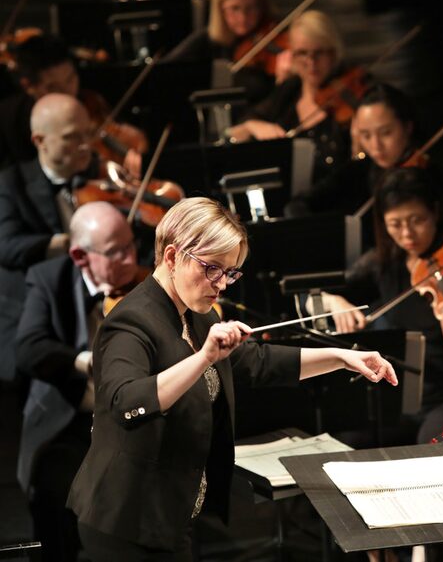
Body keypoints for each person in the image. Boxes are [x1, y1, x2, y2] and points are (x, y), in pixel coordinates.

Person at [66, 197, 397, 560]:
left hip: (170, 514)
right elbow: (127, 402)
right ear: (173, 257)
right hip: (126, 519)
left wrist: (343, 357)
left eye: (230, 272)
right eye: (212, 268)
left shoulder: (196, 314)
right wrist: (204, 357)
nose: (222, 283)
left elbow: (258, 361)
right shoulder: (130, 323)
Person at [310, 168, 443, 446]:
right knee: (342, 443)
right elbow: (315, 292)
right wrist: (332, 300)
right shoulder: (384, 263)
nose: (407, 233)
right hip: (396, 398)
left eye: (417, 220)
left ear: (435, 213)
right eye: (395, 224)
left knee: (434, 448)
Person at [16, 202, 139, 562]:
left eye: (133, 245)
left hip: (130, 420)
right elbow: (28, 348)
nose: (132, 260)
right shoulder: (47, 278)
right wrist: (84, 361)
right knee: (56, 496)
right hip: (69, 422)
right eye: (117, 252)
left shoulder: (143, 287)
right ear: (80, 256)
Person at [0, 93, 95, 381]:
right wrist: (67, 242)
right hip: (38, 312)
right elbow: (6, 246)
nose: (84, 146)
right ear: (40, 141)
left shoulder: (98, 173)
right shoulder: (11, 182)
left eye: (87, 134)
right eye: (71, 137)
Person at [226, 10, 352, 183]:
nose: (311, 62)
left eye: (319, 52)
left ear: (333, 53)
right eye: (302, 53)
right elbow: (234, 131)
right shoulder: (290, 89)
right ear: (292, 54)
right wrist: (252, 126)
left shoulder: (349, 98)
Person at [0, 34, 146, 170]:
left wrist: (127, 144)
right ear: (28, 86)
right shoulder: (9, 118)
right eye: (53, 87)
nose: (68, 92)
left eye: (70, 79)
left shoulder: (90, 99)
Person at [284, 82, 422, 217]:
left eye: (385, 133)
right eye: (366, 135)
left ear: (407, 127)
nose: (376, 145)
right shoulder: (361, 168)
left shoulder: (426, 171)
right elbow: (298, 204)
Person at [165, 0, 290, 103]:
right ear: (220, 8)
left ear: (261, 6)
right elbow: (166, 71)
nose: (243, 17)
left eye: (250, 7)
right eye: (235, 8)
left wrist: (283, 82)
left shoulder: (272, 36)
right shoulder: (205, 40)